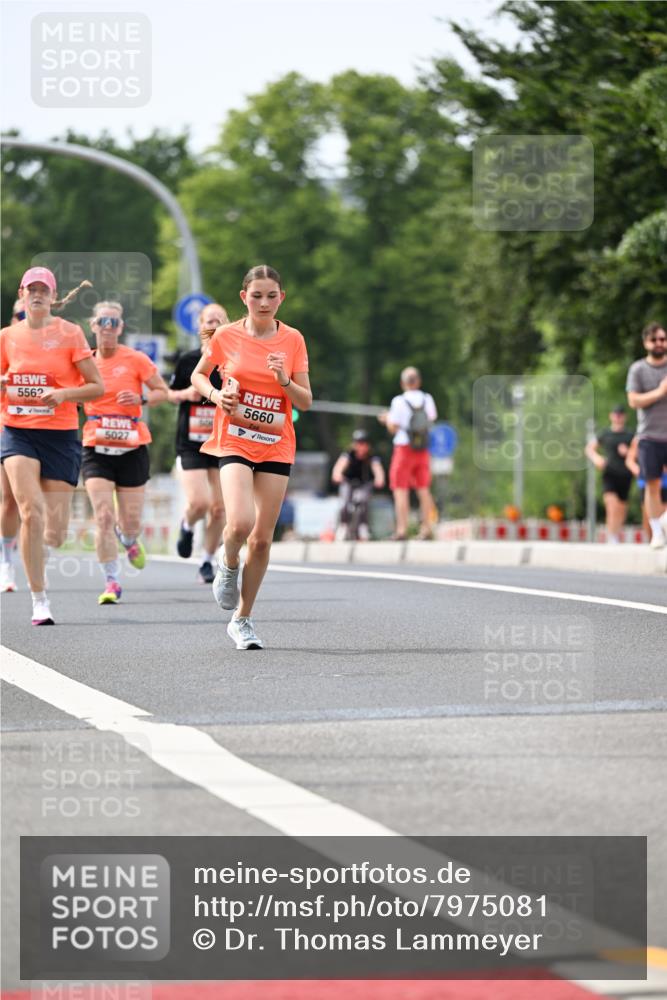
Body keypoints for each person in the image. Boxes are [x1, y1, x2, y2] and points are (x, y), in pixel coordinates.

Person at [191, 264, 312, 650]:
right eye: (256, 296)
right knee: (240, 522)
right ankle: (228, 563)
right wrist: (216, 396)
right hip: (235, 440)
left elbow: (305, 401)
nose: (264, 302)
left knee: (261, 540)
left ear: (281, 298)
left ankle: (242, 619)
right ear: (244, 297)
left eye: (271, 296)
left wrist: (284, 381)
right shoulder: (227, 335)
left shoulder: (292, 339)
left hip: (276, 442)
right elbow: (198, 376)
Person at [0, 266, 104, 624]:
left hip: (60, 434)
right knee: (30, 511)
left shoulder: (70, 333)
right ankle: (39, 599)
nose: (37, 294)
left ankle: (38, 552)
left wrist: (63, 394)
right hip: (18, 431)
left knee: (55, 531)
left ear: (53, 296)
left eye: (44, 289)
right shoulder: (7, 336)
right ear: (22, 294)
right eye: (32, 289)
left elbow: (97, 386)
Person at [81, 301, 168, 605]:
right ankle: (111, 581)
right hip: (96, 446)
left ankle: (129, 539)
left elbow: (162, 392)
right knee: (103, 516)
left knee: (129, 521)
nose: (108, 327)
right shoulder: (83, 362)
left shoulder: (136, 359)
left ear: (120, 328)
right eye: (102, 321)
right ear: (93, 325)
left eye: (114, 322)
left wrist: (141, 398)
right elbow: (68, 391)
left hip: (132, 446)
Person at [168, 302, 229, 583]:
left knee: (220, 508)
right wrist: (186, 394)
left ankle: (207, 560)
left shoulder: (233, 361)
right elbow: (169, 394)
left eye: (219, 320)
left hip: (221, 441)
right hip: (191, 442)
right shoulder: (188, 360)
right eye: (209, 321)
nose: (214, 325)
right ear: (199, 326)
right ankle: (188, 524)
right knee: (200, 502)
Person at [378, 366, 437, 540]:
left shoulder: (399, 401)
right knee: (424, 489)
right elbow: (431, 419)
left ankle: (402, 530)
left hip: (404, 447)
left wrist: (387, 419)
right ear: (419, 381)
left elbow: (393, 427)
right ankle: (427, 528)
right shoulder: (427, 399)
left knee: (400, 489)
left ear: (403, 383)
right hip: (422, 448)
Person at [625, 321, 667, 549]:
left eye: (663, 339)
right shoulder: (638, 369)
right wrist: (660, 392)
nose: (659, 343)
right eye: (654, 340)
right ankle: (657, 532)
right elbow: (633, 401)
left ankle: (664, 519)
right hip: (649, 436)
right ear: (646, 343)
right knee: (652, 485)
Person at [0, 302, 26, 592]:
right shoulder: (4, 341)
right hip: (7, 428)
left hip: (43, 431)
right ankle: (6, 561)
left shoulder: (52, 343)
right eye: (20, 314)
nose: (25, 318)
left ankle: (34, 552)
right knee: (9, 499)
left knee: (36, 501)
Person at [584, 406, 634, 543]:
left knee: (621, 508)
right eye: (615, 414)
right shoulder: (605, 434)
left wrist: (628, 452)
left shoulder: (630, 435)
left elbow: (639, 453)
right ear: (611, 416)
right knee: (611, 505)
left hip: (625, 475)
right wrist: (597, 459)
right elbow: (589, 449)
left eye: (620, 414)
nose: (618, 417)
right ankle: (612, 537)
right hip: (609, 473)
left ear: (625, 417)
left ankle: (616, 533)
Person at [331, 429, 385, 540]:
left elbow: (377, 468)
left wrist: (379, 479)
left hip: (364, 483)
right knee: (344, 503)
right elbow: (339, 466)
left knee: (363, 501)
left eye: (363, 444)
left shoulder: (371, 457)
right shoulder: (348, 455)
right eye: (358, 444)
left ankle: (363, 527)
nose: (361, 447)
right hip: (348, 482)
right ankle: (343, 525)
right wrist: (337, 474)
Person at [625, 435, 667, 540]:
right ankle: (653, 538)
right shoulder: (640, 437)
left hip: (664, 482)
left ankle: (661, 537)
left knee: (663, 514)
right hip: (647, 482)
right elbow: (629, 460)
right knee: (648, 516)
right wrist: (641, 471)